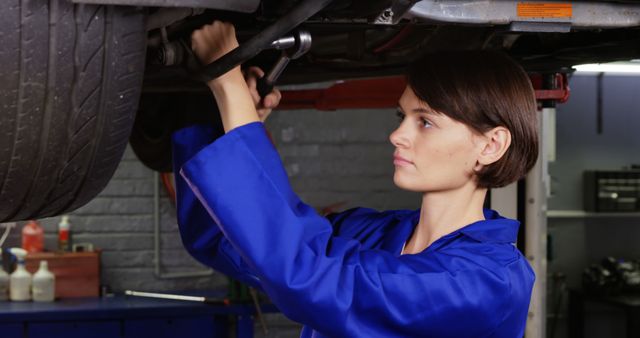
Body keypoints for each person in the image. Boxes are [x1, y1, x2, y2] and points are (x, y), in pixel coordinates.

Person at [172, 21, 537, 337]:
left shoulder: (488, 283)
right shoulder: (372, 233)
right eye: (402, 116)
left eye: (424, 121)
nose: (397, 135)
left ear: (491, 146)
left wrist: (229, 82)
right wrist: (228, 116)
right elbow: (222, 240)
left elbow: (308, 274)